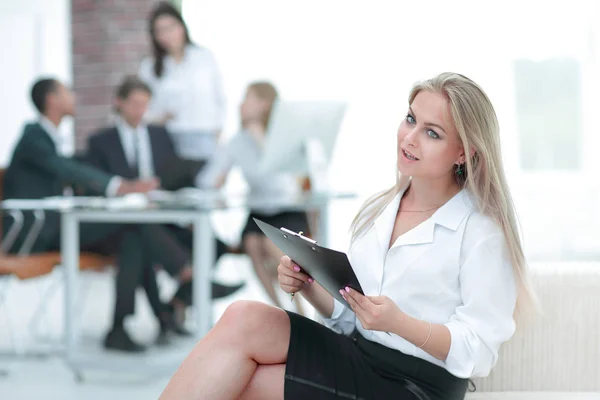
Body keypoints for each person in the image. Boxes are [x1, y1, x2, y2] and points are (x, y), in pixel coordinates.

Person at [158, 72, 535, 400]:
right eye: (410, 119)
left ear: (464, 153)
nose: (410, 138)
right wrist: (307, 285)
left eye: (431, 133)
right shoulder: (380, 210)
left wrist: (399, 323)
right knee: (243, 316)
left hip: (416, 385)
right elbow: (353, 318)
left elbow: (480, 350)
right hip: (358, 353)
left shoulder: (481, 230)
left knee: (242, 383)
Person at [1, 77, 176, 352]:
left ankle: (120, 327)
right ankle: (179, 281)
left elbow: (73, 169)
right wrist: (120, 186)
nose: (75, 97)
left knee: (132, 235)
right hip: (34, 233)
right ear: (52, 100)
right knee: (132, 228)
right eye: (67, 92)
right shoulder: (34, 137)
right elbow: (67, 170)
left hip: (55, 225)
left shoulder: (51, 137)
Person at [85, 75, 244, 335]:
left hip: (162, 217)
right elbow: (96, 184)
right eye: (134, 103)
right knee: (137, 236)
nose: (140, 111)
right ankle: (190, 280)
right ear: (119, 103)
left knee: (212, 243)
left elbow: (174, 174)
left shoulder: (160, 136)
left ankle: (176, 302)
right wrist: (131, 189)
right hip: (123, 223)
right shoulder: (101, 142)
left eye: (144, 104)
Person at [197, 82, 310, 314]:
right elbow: (207, 179)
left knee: (270, 243)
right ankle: (282, 311)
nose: (241, 104)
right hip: (258, 212)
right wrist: (216, 184)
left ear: (263, 104)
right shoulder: (238, 141)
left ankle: (302, 309)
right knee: (251, 243)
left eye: (247, 98)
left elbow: (286, 186)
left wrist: (260, 139)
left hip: (287, 210)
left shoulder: (283, 137)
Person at [139, 1, 226, 162]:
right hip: (169, 137)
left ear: (182, 26)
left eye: (170, 28)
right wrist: (158, 117)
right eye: (160, 31)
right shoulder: (150, 67)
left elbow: (220, 98)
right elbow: (142, 109)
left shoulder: (204, 57)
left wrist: (219, 130)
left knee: (205, 183)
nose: (166, 35)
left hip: (204, 134)